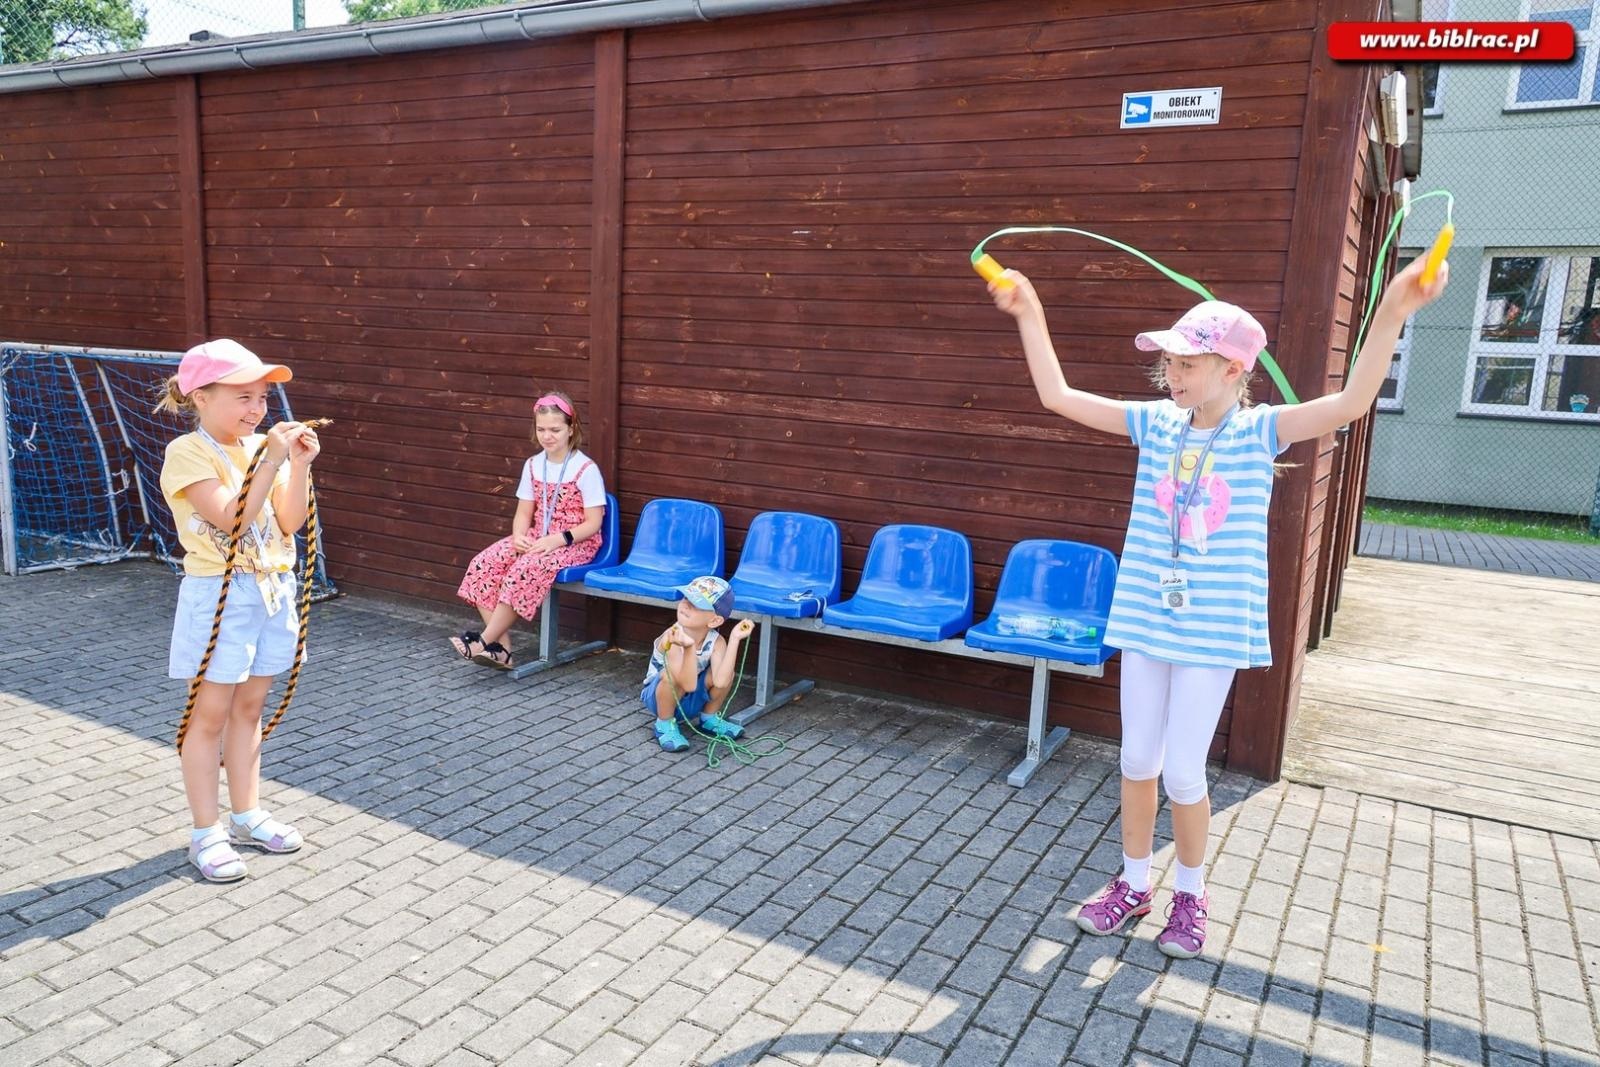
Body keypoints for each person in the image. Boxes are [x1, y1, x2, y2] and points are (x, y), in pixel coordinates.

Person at [991, 256, 1447, 957]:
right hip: (1146, 616)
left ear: (1235, 370)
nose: (1173, 376)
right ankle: (1134, 883)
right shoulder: (1155, 424)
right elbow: (1056, 394)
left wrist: (1392, 311)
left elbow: (1352, 401)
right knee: (1138, 759)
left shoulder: (1261, 430)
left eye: (1190, 364)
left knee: (1182, 771)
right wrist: (1029, 311)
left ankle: (1192, 896)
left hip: (1212, 632)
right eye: (1169, 363)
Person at [157, 339, 321, 883]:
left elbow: (289, 522)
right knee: (208, 717)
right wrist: (272, 457)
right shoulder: (188, 452)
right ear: (199, 397)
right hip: (219, 593)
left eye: (263, 397)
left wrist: (296, 466)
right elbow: (231, 519)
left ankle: (247, 814)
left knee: (250, 710)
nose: (257, 409)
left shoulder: (260, 447)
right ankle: (207, 831)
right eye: (243, 396)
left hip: (272, 587)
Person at [452, 391, 606, 669]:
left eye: (555, 430)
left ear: (572, 429)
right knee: (484, 564)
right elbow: (524, 512)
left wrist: (558, 540)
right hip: (538, 537)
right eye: (541, 429)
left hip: (574, 542)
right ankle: (503, 651)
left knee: (524, 569)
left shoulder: (586, 468)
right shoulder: (534, 464)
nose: (548, 436)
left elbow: (593, 523)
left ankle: (482, 640)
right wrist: (519, 535)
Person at [640, 576, 755, 752]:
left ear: (715, 621)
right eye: (686, 598)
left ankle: (708, 718)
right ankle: (664, 724)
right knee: (670, 674)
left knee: (726, 671)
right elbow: (684, 681)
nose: (686, 604)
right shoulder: (672, 635)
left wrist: (734, 639)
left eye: (696, 604)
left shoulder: (716, 641)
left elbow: (722, 682)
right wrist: (688, 647)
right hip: (658, 698)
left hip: (690, 697)